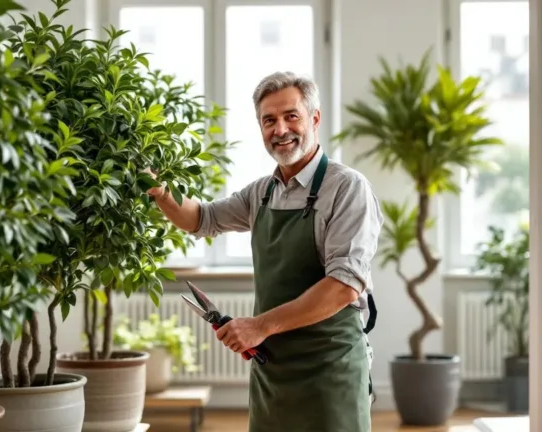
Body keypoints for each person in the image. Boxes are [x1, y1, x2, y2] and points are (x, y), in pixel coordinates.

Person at [146, 71, 383, 432]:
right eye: (268, 120)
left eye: (292, 116)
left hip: (330, 369)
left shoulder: (347, 188)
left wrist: (258, 326)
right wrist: (161, 192)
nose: (280, 129)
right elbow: (202, 219)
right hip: (272, 367)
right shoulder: (262, 193)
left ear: (314, 118)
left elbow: (344, 285)